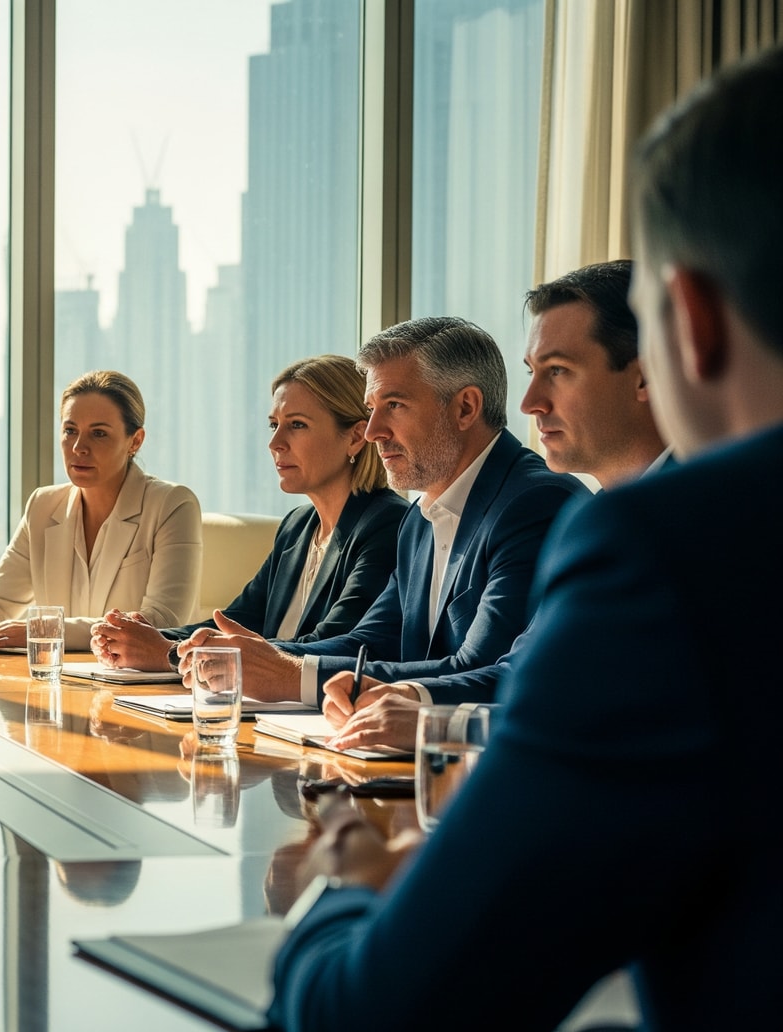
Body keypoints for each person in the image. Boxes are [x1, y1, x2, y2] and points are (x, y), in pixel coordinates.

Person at [272, 49, 783, 1032]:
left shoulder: (669, 553)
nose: (534, 400)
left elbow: (375, 1019)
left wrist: (348, 883)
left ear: (687, 323)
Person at [320, 260, 668, 752]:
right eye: (532, 373)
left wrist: (432, 719)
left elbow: (614, 720)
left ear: (645, 376)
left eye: (559, 371)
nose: (529, 403)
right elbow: (528, 676)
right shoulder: (600, 516)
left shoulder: (557, 504)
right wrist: (414, 699)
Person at [177, 317, 587, 703]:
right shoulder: (419, 519)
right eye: (372, 408)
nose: (373, 431)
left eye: (394, 405)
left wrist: (289, 675)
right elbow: (373, 641)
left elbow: (482, 668)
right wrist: (254, 658)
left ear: (465, 408)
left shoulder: (534, 503)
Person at [90, 357, 408, 669]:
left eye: (297, 425)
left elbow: (334, 645)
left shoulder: (388, 524)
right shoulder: (298, 526)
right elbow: (239, 621)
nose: (275, 443)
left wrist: (169, 653)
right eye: (274, 425)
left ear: (355, 437)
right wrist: (142, 637)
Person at [0, 370, 202, 651]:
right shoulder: (43, 505)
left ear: (135, 441)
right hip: (58, 674)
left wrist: (45, 629)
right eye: (70, 430)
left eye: (99, 434)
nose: (78, 447)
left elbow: (162, 622)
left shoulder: (173, 505)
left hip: (138, 677)